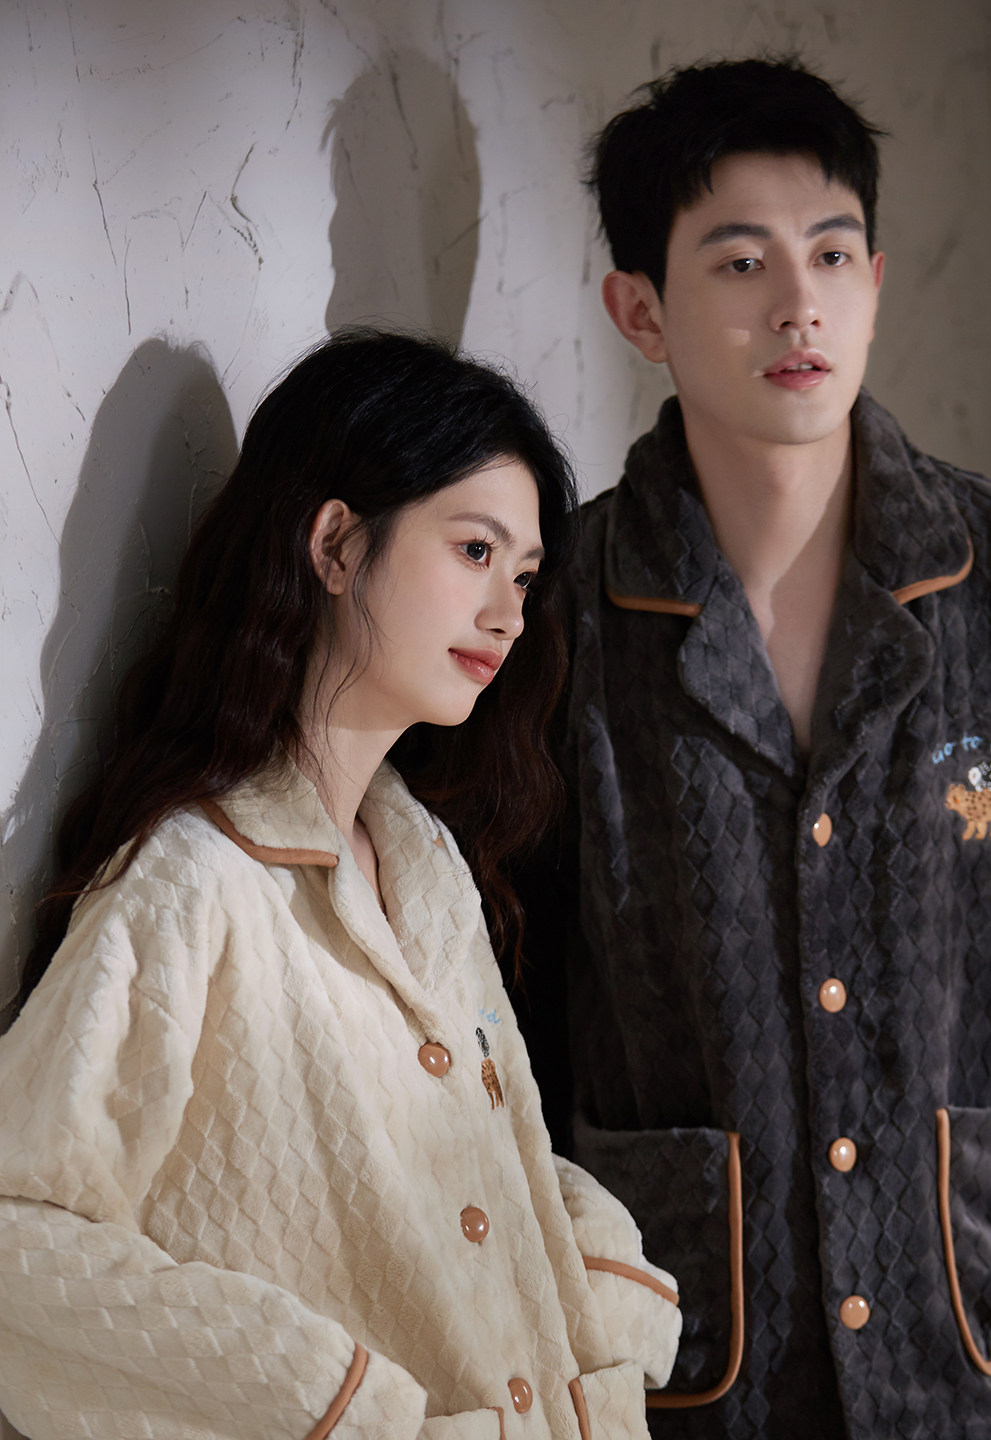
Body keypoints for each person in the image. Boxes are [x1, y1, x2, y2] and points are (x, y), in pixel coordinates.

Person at [515, 59, 991, 1439]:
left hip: (990, 1369)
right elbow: (504, 1002)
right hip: (680, 1375)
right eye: (741, 263)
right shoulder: (564, 620)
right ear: (641, 310)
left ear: (876, 281)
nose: (799, 305)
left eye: (833, 255)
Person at [0, 330, 680, 1440]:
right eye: (474, 550)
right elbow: (18, 1239)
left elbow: (473, 1155)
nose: (508, 614)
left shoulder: (427, 868)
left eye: (522, 575)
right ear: (334, 543)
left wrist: (603, 1282)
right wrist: (329, 1404)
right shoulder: (194, 880)